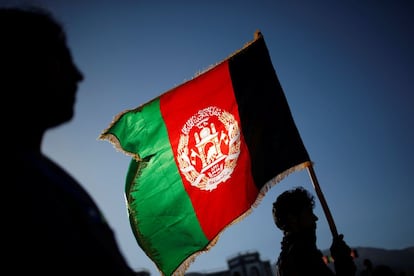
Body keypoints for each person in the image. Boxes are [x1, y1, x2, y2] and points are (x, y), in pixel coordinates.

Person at [2, 6, 136, 275]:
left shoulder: (49, 176)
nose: (78, 75)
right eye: (62, 60)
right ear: (20, 63)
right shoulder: (17, 179)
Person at [272, 186, 356, 276]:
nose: (315, 218)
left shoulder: (289, 257)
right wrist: (343, 262)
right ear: (292, 218)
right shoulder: (301, 256)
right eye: (309, 212)